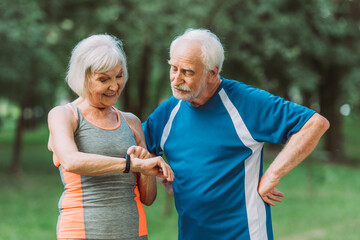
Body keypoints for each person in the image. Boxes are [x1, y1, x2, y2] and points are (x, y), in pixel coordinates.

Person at [142, 29, 330, 240]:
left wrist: (272, 175)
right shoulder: (167, 113)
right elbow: (138, 150)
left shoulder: (244, 102)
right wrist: (167, 180)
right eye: (173, 68)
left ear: (212, 74)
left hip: (244, 234)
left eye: (187, 72)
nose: (176, 80)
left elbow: (314, 124)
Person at [47, 34, 174, 240]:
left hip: (134, 232)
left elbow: (148, 198)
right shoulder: (63, 115)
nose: (115, 86)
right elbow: (71, 161)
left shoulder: (131, 122)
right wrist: (132, 165)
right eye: (104, 79)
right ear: (83, 78)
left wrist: (145, 166)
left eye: (119, 76)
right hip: (83, 232)